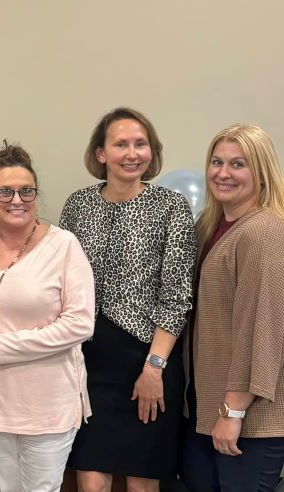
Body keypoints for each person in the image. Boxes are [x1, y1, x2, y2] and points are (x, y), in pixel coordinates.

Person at [61, 107, 196, 491]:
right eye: (121, 144)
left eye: (141, 144)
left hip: (148, 361)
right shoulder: (78, 206)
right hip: (89, 363)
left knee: (141, 484)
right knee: (91, 481)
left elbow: (177, 296)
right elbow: (64, 282)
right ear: (101, 153)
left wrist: (154, 369)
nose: (132, 153)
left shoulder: (171, 207)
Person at [0, 142, 94, 491]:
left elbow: (80, 323)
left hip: (46, 403)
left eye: (26, 191)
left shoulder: (64, 246)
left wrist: (7, 346)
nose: (17, 200)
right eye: (4, 191)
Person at [180, 124, 284, 491]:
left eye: (238, 164)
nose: (223, 173)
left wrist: (233, 412)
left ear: (261, 171)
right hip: (207, 411)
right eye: (217, 162)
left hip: (248, 421)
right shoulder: (212, 227)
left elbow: (261, 331)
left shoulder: (263, 231)